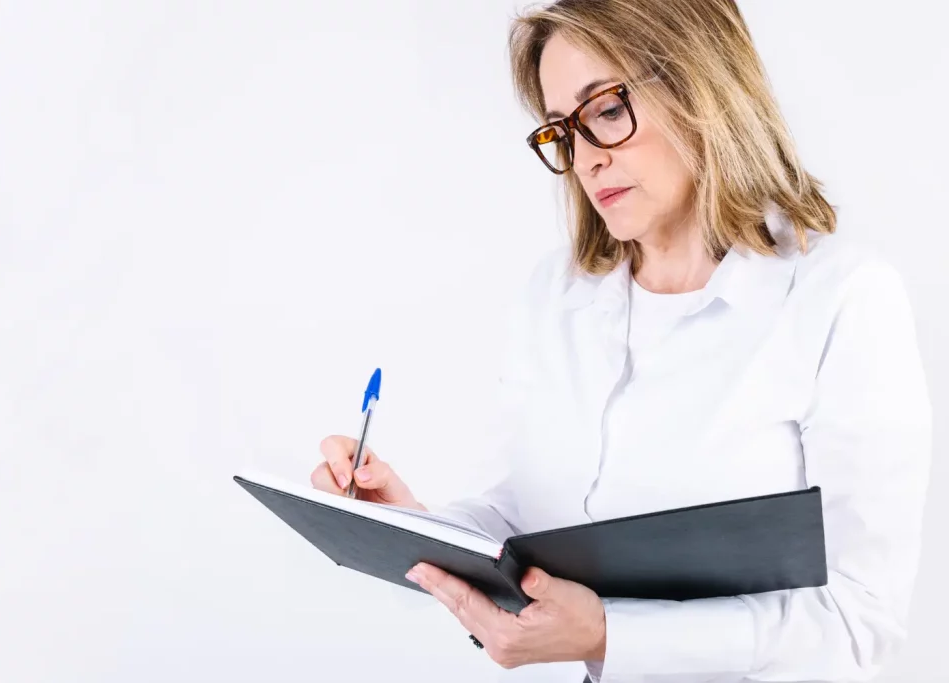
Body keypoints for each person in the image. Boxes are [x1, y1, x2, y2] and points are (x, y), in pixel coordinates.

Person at [310, 0, 932, 681]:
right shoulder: (558, 295)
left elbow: (859, 619)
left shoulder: (841, 298)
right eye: (562, 132)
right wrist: (417, 527)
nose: (585, 159)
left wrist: (611, 632)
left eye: (606, 109)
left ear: (703, 85)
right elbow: (529, 513)